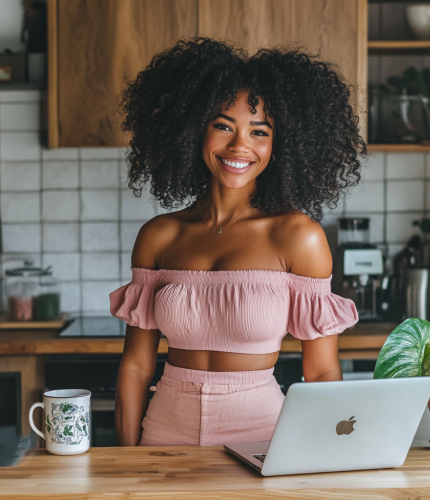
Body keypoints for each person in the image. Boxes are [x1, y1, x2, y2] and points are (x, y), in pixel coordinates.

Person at [110, 37, 365, 447]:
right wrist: (124, 458)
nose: (239, 146)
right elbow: (137, 367)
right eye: (224, 125)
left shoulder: (299, 237)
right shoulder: (160, 236)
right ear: (195, 130)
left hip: (261, 435)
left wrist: (329, 456)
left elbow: (320, 372)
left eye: (259, 132)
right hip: (163, 432)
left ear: (279, 146)